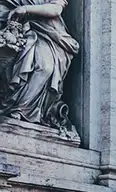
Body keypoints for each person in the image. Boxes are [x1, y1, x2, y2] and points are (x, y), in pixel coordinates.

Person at [0, 0, 80, 131]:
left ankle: (24, 111)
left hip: (49, 33)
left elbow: (55, 9)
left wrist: (26, 9)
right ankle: (12, 108)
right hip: (18, 30)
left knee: (45, 67)